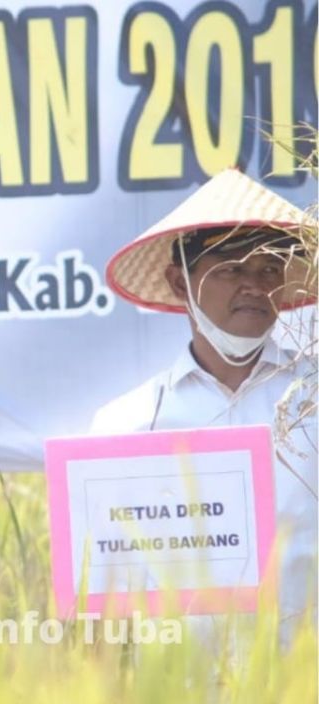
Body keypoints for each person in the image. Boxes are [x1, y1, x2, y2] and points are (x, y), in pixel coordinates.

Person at [93, 167, 317, 648]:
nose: (255, 285)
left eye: (269, 269)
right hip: (182, 702)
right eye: (232, 268)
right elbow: (105, 601)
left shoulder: (313, 401)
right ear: (180, 283)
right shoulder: (127, 427)